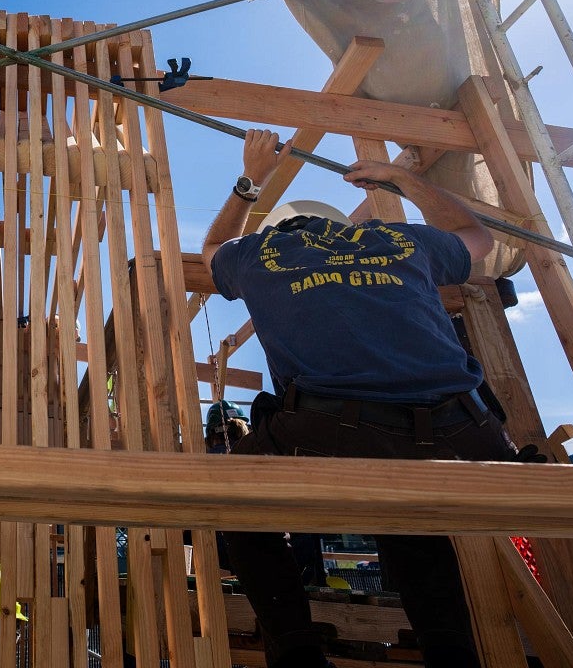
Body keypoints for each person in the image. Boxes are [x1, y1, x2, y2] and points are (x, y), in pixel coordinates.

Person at [200, 128, 520, 668]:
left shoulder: (262, 254)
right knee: (407, 512)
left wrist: (251, 178)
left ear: (282, 231)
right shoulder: (401, 242)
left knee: (234, 498)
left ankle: (298, 655)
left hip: (335, 433)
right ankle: (452, 655)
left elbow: (211, 250)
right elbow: (476, 236)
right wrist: (403, 179)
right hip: (469, 436)